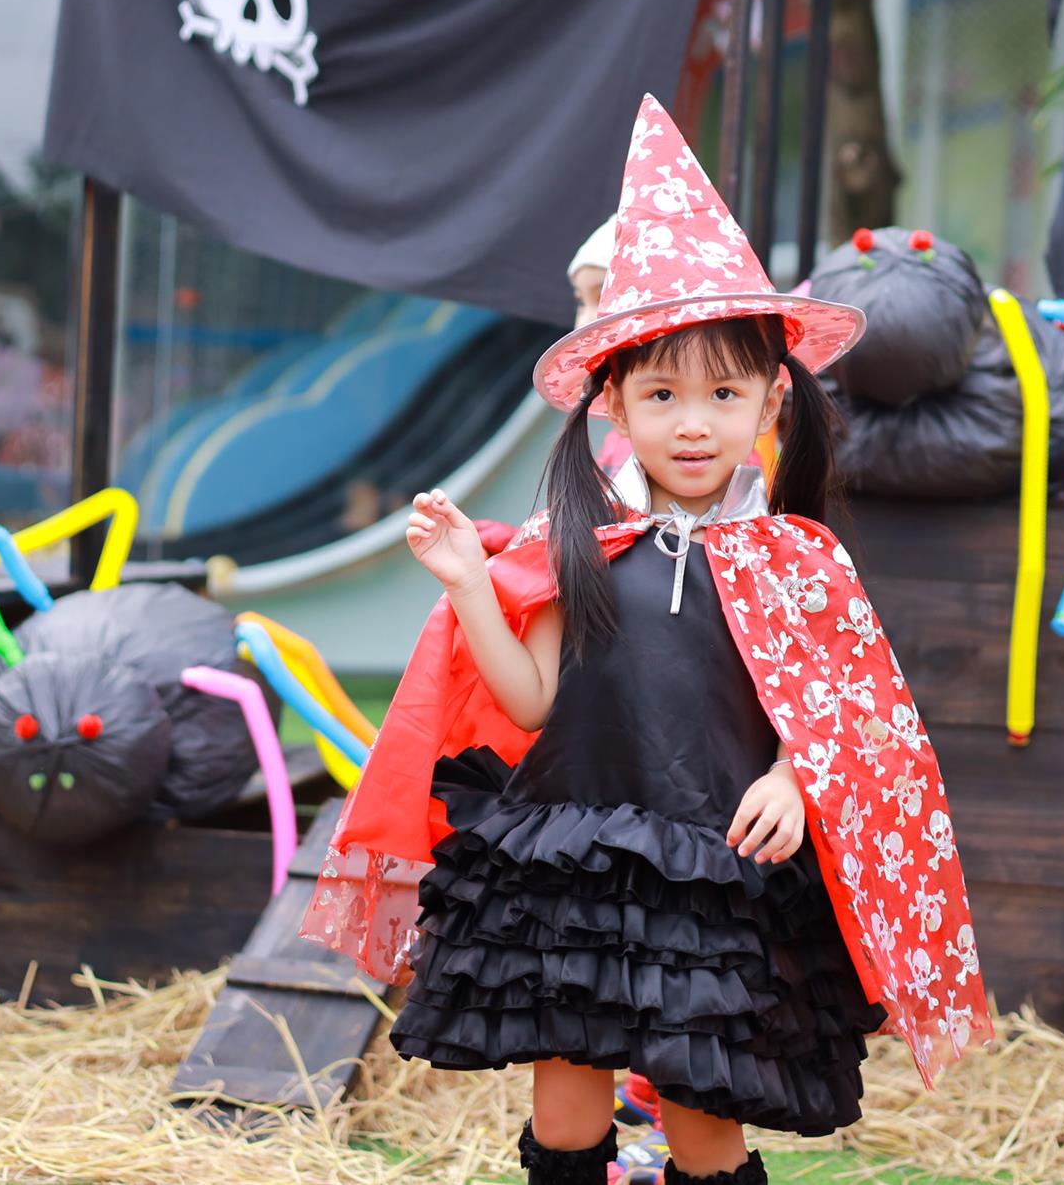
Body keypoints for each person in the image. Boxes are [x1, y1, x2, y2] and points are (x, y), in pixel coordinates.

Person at [300, 95, 993, 1184]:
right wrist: (473, 584)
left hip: (719, 874)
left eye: (723, 391)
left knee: (703, 1119)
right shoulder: (578, 543)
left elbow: (849, 714)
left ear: (770, 399)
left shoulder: (798, 561)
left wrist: (795, 778)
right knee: (568, 1109)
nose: (693, 420)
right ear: (615, 404)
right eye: (662, 392)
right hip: (574, 868)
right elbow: (532, 702)